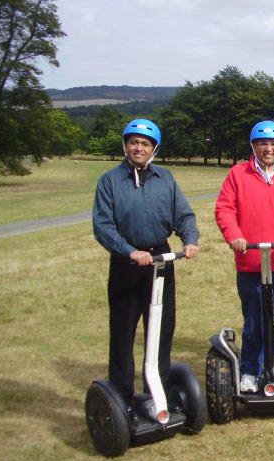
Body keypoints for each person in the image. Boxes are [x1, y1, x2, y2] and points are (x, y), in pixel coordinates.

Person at [93, 118, 200, 413]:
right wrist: (129, 251)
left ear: (154, 148)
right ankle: (122, 398)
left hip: (161, 260)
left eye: (145, 144)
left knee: (162, 329)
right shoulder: (110, 181)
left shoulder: (165, 178)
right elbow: (103, 226)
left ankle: (157, 393)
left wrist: (189, 240)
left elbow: (184, 216)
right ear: (125, 146)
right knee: (123, 331)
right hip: (127, 263)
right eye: (133, 142)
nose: (138, 148)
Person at [215, 120, 274, 393]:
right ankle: (250, 371)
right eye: (262, 143)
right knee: (255, 319)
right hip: (251, 261)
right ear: (253, 146)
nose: (268, 148)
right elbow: (224, 209)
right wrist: (234, 235)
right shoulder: (237, 174)